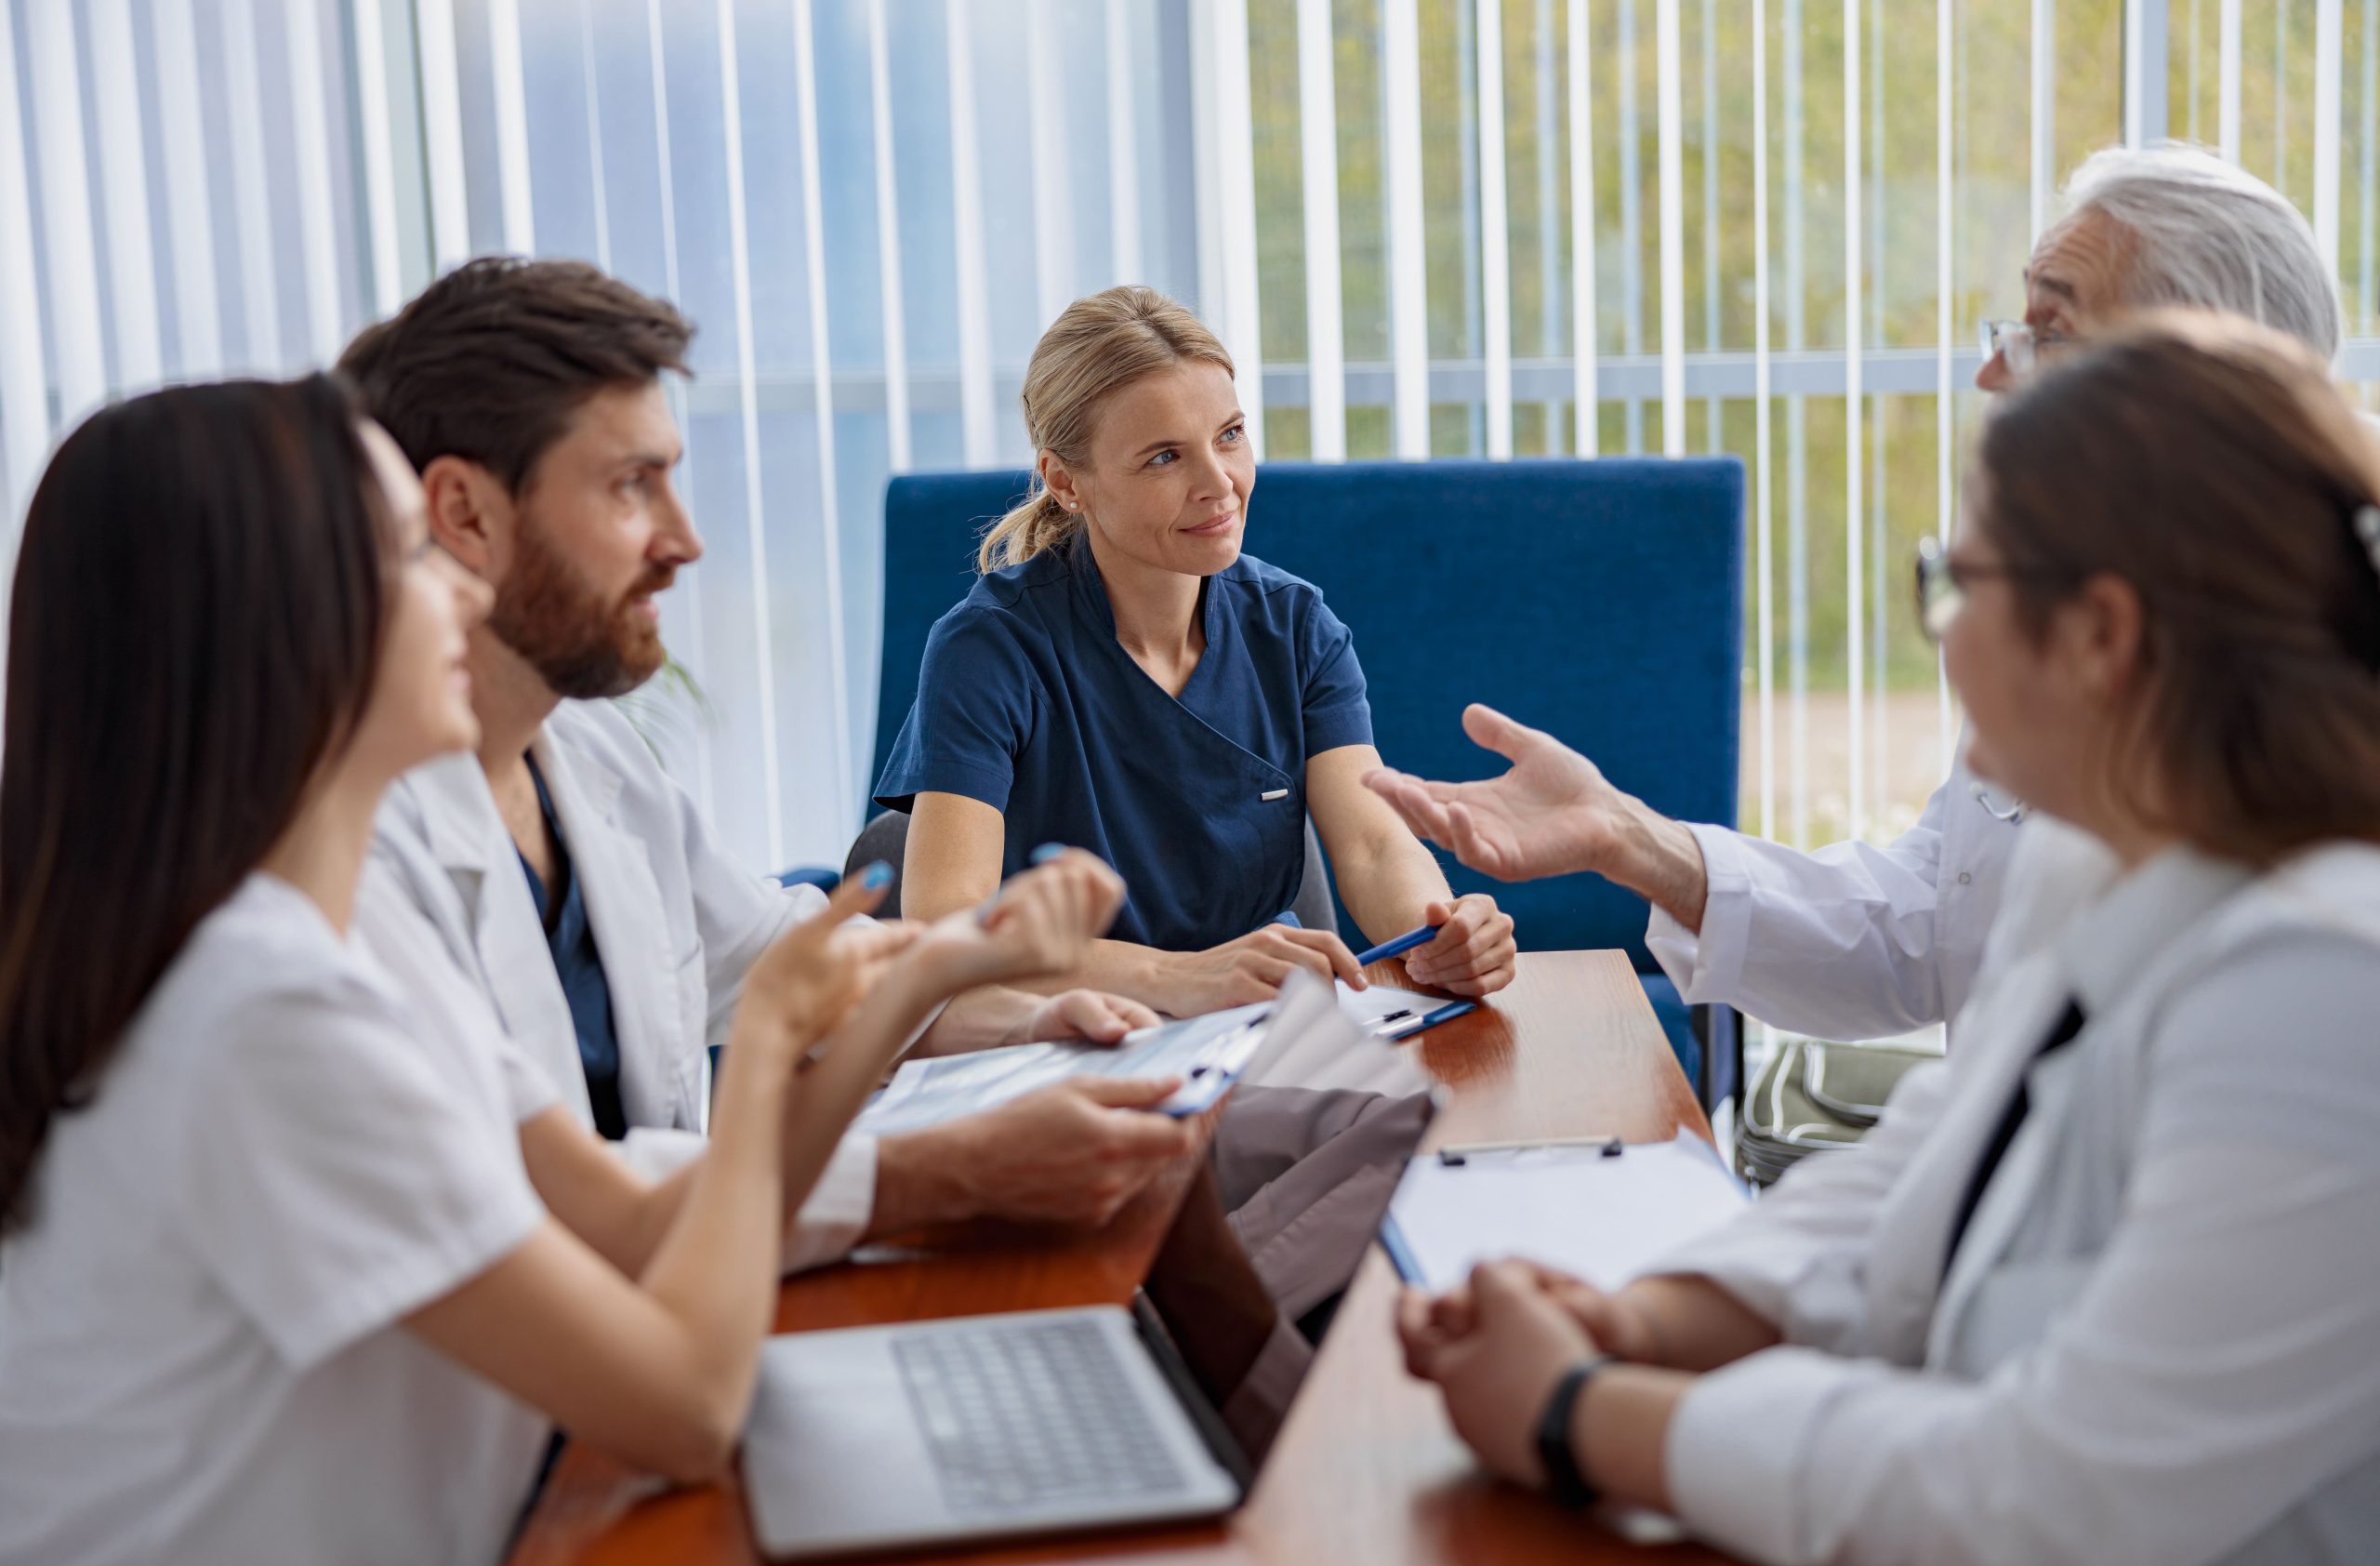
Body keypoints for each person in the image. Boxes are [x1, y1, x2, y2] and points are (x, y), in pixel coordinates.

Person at [0, 377, 1130, 1566]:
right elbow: (684, 1400)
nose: (462, 588)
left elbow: (640, 1221)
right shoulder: (263, 1009)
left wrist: (921, 981)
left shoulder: (307, 952)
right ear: (264, 626)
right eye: (407, 555)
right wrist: (762, 1054)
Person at [1395, 316, 2380, 1566]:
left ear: (2101, 634)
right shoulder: (2096, 858)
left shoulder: (2326, 985)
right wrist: (1635, 1319)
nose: (1946, 634)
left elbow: (2050, 1497)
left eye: (1961, 582)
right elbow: (1914, 1182)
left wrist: (1581, 1412)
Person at [1371, 142, 2340, 1044]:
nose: (1990, 371)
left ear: (2209, 383)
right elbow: (1934, 931)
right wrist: (1629, 838)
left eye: (2049, 328)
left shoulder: (2300, 868)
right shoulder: (2069, 624)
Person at [338, 259, 1199, 1266]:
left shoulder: (589, 759)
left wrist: (1026, 1017)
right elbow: (564, 1216)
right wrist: (944, 1169)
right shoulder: (352, 871)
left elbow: (781, 963)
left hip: (686, 1312)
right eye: (630, 487)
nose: (686, 541)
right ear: (466, 515)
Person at [879, 285, 1517, 1017]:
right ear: (1065, 482)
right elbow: (948, 931)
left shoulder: (1297, 627)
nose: (1220, 485)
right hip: (1057, 1042)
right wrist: (1173, 978)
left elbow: (1372, 845)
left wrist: (1440, 927)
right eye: (1162, 458)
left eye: (1231, 435)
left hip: (1255, 1031)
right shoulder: (989, 648)